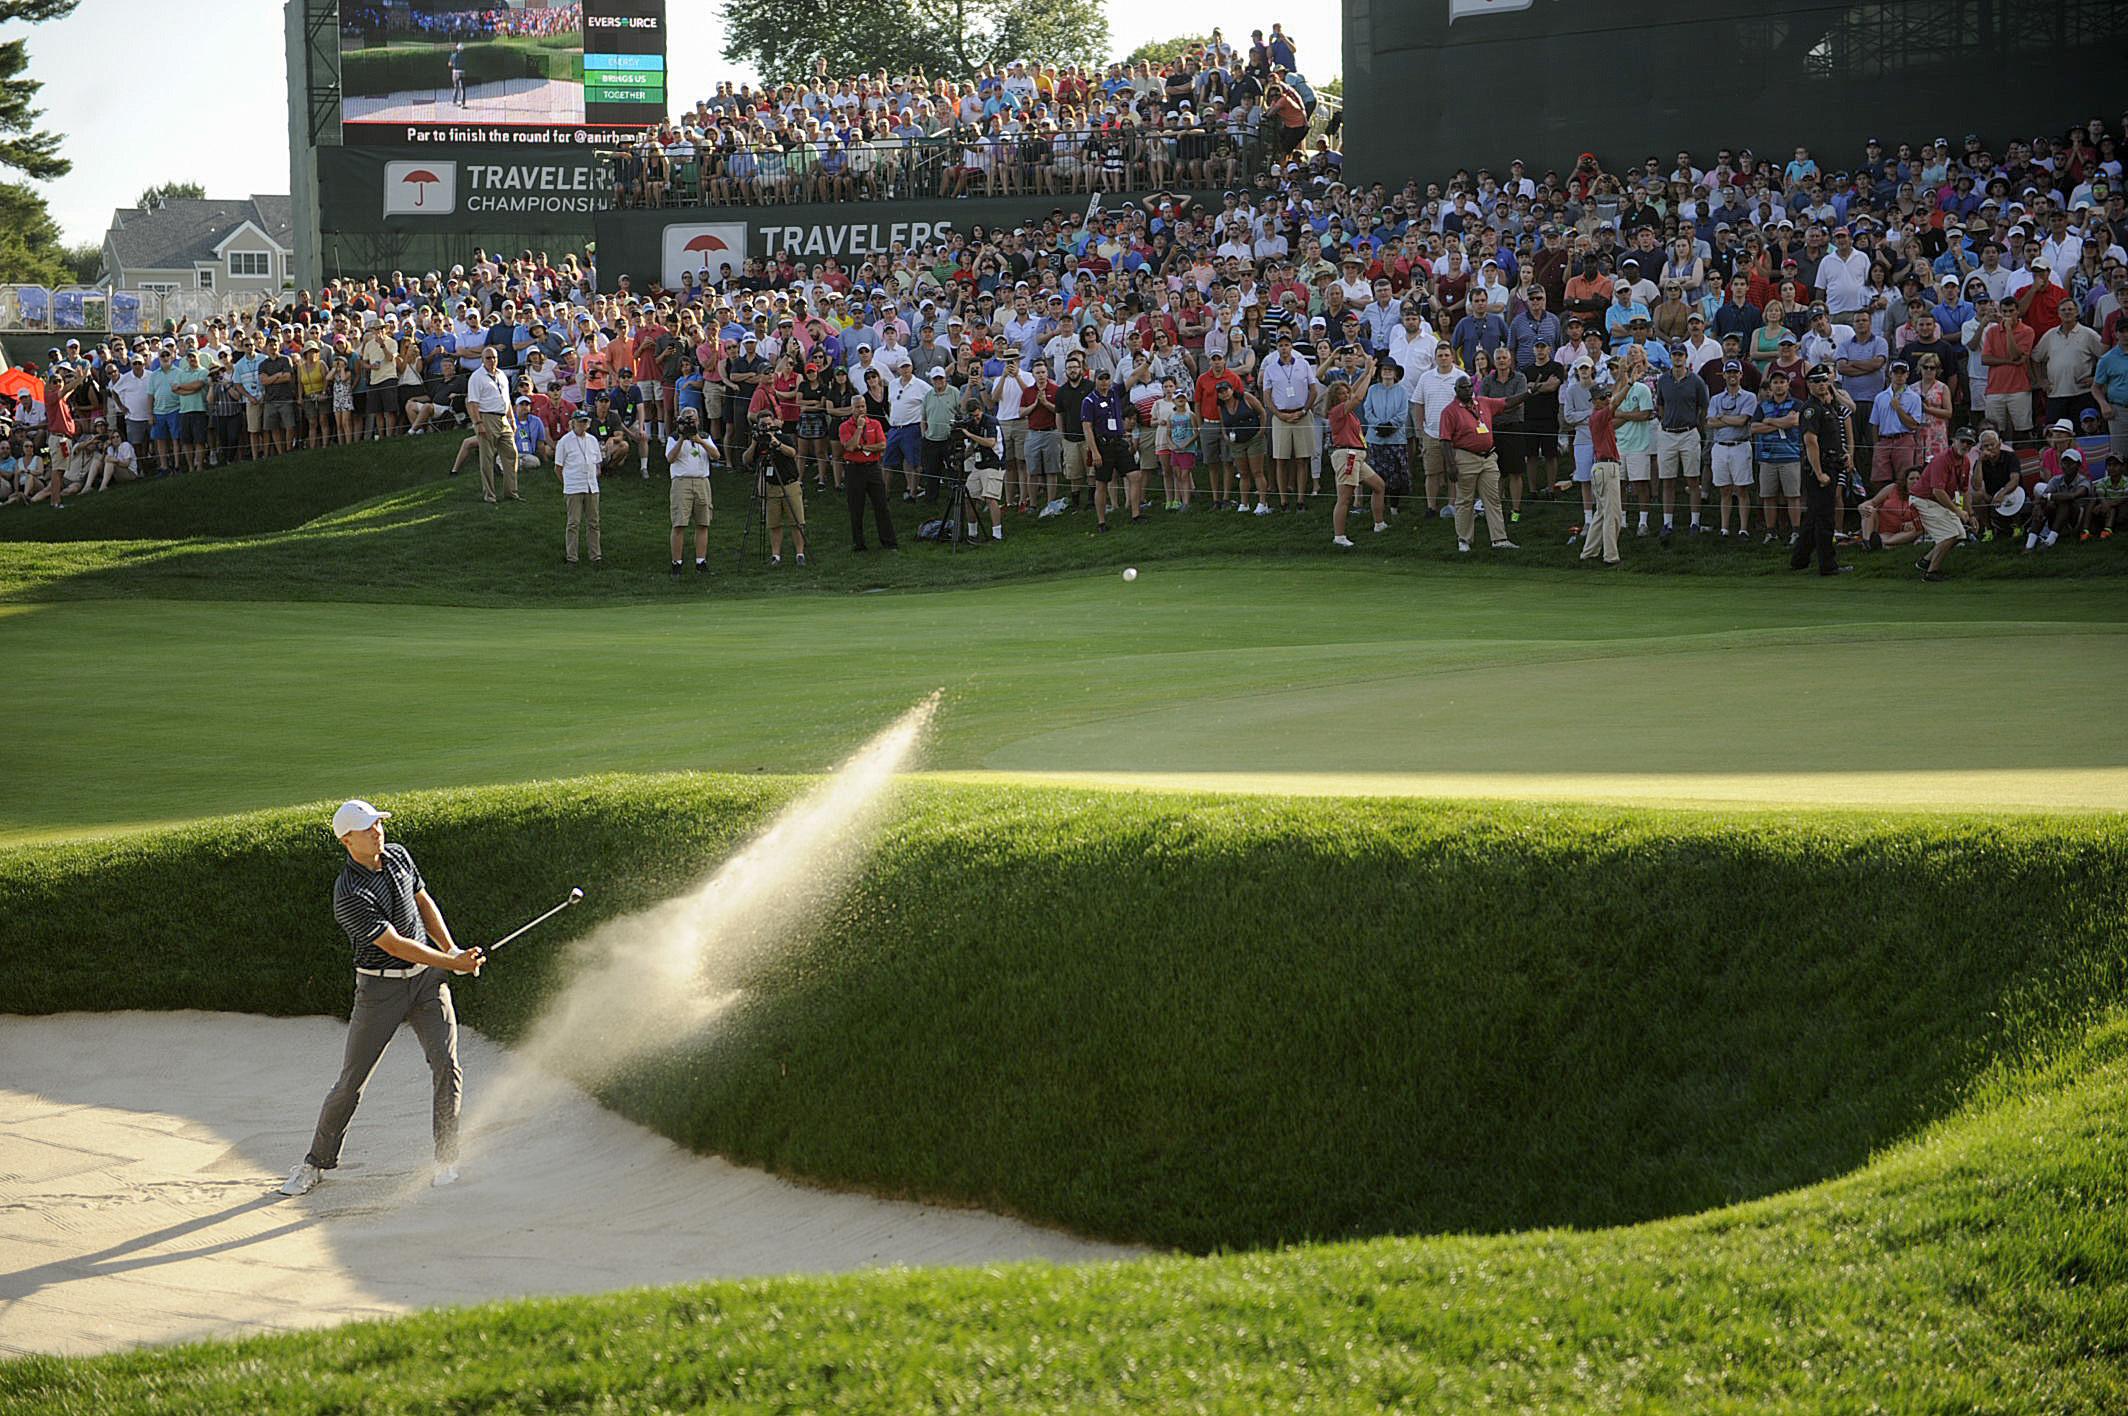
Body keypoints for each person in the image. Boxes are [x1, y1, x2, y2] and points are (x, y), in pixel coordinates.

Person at [280, 799, 484, 1199]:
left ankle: (446, 1158)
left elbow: (423, 903)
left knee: (447, 1066)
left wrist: (453, 951)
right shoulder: (349, 892)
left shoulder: (398, 856)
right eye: (367, 828)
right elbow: (395, 944)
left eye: (378, 824)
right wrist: (451, 961)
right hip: (379, 990)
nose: (377, 832)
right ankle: (314, 1163)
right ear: (346, 840)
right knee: (350, 1083)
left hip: (427, 984)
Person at [1439, 373, 1516, 553]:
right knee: (1465, 501)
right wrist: (1450, 465)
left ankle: (1499, 539)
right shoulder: (1449, 411)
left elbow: (1507, 403)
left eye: (1469, 387)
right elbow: (1444, 440)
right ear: (1456, 390)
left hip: (1488, 457)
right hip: (1465, 457)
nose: (1467, 390)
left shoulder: (1482, 403)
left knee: (1493, 499)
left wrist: (1528, 392)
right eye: (1463, 387)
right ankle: (1464, 539)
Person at [1792, 364, 1853, 575]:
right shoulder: (1811, 409)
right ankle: (1828, 565)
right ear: (1809, 385)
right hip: (1821, 467)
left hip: (1833, 464)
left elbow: (1833, 438)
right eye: (1816, 382)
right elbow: (1811, 442)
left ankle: (1799, 559)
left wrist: (1844, 454)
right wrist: (1819, 473)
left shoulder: (1829, 406)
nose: (1821, 385)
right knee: (1825, 518)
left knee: (1814, 516)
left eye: (1824, 380)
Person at [1325, 354, 1390, 547]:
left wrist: (1367, 370)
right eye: (1342, 394)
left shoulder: (1346, 411)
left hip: (1357, 455)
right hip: (1347, 454)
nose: (1347, 395)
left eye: (1347, 393)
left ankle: (1379, 523)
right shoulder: (1338, 411)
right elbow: (1359, 396)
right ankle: (1339, 536)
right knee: (1345, 497)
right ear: (1335, 398)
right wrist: (1370, 372)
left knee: (1379, 485)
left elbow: (1354, 392)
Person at [1909, 431, 1974, 580]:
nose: (1965, 445)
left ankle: (1925, 562)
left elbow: (1964, 490)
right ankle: (1931, 573)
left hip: (1939, 501)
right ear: (1954, 441)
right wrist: (1958, 510)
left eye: (1969, 443)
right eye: (1962, 441)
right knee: (1949, 534)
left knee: (1959, 534)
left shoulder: (1966, 462)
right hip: (1923, 499)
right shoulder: (1942, 460)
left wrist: (1970, 514)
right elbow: (1937, 491)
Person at [1706, 360, 1757, 538]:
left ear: (1741, 375)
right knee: (1724, 489)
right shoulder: (1716, 399)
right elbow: (1711, 422)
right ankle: (1725, 527)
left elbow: (1743, 421)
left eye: (1736, 372)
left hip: (1740, 445)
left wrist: (1723, 418)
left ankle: (1743, 528)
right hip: (1720, 447)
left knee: (1742, 489)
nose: (1732, 375)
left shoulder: (1749, 397)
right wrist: (1731, 419)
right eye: (1729, 373)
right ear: (1724, 375)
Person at [839, 391, 896, 552]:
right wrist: (859, 428)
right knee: (856, 508)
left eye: (863, 406)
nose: (861, 410)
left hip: (873, 468)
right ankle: (859, 544)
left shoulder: (875, 424)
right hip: (854, 469)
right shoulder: (845, 426)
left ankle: (889, 542)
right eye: (857, 407)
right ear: (852, 408)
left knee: (881, 505)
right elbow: (850, 446)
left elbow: (882, 445)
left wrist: (863, 447)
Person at [666, 406, 719, 574]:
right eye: (687, 420)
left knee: (703, 522)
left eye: (693, 420)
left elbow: (716, 456)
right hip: (681, 482)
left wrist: (700, 441)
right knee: (679, 523)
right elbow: (670, 458)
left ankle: (701, 561)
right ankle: (677, 562)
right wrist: (682, 438)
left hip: (702, 481)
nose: (691, 423)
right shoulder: (674, 438)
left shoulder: (704, 437)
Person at [467, 347, 519, 503]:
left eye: (494, 357)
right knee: (487, 458)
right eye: (488, 358)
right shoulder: (477, 377)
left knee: (511, 453)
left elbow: (507, 399)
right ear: (482, 359)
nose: (492, 360)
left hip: (503, 418)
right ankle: (490, 495)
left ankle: (511, 492)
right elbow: (473, 403)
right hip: (487, 417)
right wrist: (478, 423)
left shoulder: (502, 375)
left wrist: (512, 419)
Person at [555, 408, 601, 566]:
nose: (582, 425)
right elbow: (558, 468)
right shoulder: (564, 442)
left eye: (585, 422)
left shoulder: (593, 440)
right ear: (573, 423)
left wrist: (594, 476)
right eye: (580, 422)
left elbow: (597, 464)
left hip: (591, 487)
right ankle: (572, 557)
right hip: (573, 487)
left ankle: (595, 555)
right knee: (573, 523)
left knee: (594, 522)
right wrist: (567, 482)